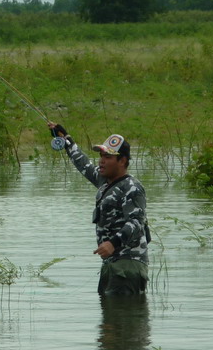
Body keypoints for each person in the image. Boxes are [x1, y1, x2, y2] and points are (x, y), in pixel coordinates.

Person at [48, 122, 149, 295]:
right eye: (101, 155)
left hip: (127, 265)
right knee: (111, 320)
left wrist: (112, 243)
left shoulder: (131, 187)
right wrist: (66, 140)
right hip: (113, 265)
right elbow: (84, 164)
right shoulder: (106, 182)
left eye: (108, 157)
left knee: (121, 320)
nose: (101, 161)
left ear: (122, 160)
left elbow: (136, 222)